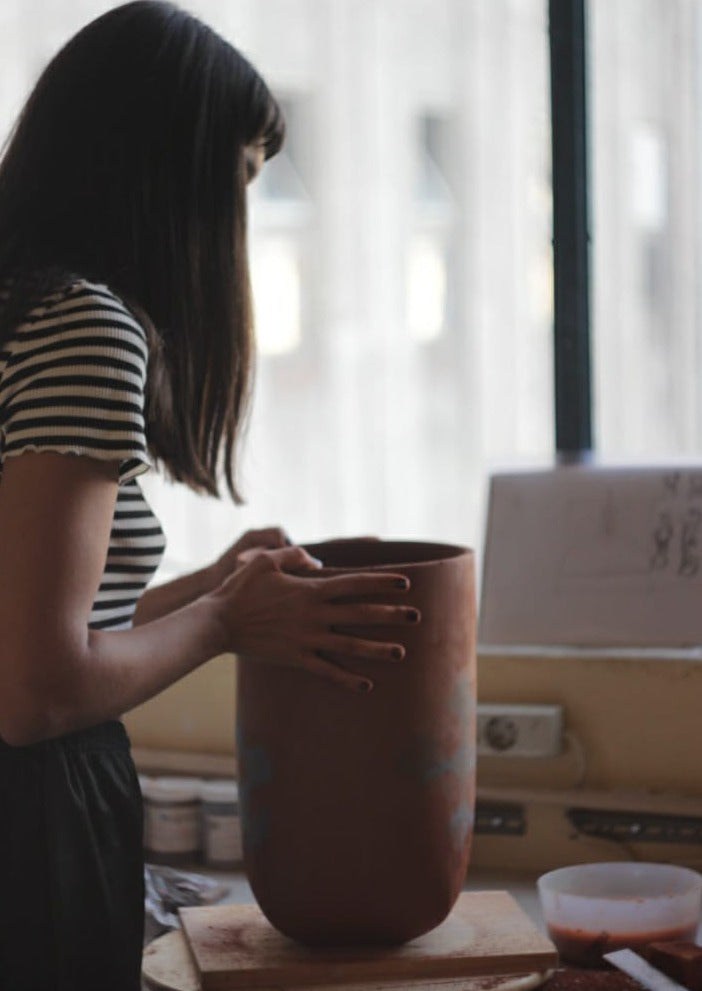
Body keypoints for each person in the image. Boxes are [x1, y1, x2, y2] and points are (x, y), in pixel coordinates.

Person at [0, 4, 419, 989]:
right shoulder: (83, 324)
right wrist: (228, 621)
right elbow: (36, 690)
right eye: (241, 179)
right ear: (170, 173)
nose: (240, 220)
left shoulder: (17, 307)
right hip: (28, 824)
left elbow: (38, 629)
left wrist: (211, 589)